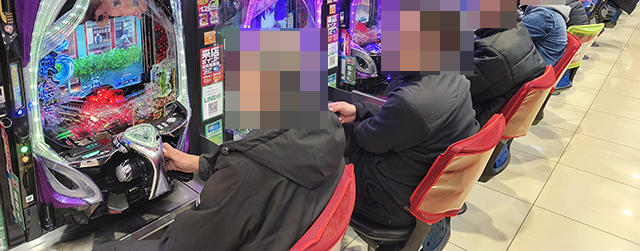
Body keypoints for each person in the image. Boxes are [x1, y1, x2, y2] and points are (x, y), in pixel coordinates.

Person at [93, 114, 346, 251]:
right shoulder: (327, 128)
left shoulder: (242, 176)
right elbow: (269, 159)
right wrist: (200, 164)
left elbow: (183, 245)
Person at [329, 75, 479, 227]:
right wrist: (360, 110)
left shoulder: (411, 101)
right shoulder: (454, 75)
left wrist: (335, 124)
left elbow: (369, 140)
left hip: (392, 204)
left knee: (331, 140)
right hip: (424, 189)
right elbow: (400, 116)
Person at [470, 24, 547, 126]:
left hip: (478, 117)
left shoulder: (493, 51)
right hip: (497, 103)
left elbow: (461, 87)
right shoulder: (518, 28)